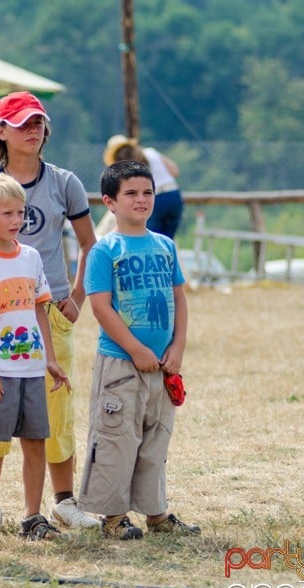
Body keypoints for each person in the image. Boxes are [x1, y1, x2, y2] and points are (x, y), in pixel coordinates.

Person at [0, 91, 100, 532]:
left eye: (38, 122)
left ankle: (62, 500)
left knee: (55, 408)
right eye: (22, 124)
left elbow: (89, 243)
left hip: (48, 309)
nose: (33, 130)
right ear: (0, 132)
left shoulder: (64, 182)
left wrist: (76, 296)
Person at [77, 160, 199, 540]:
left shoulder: (165, 246)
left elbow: (179, 299)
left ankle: (156, 513)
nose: (141, 200)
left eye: (147, 192)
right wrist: (133, 349)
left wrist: (177, 346)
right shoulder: (104, 250)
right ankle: (112, 516)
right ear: (110, 202)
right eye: (130, 193)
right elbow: (100, 306)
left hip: (162, 365)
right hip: (120, 363)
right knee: (117, 438)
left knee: (155, 438)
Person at [0, 172, 71, 547]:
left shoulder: (32, 257)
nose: (16, 220)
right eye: (7, 213)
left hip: (31, 369)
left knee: (36, 442)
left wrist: (49, 359)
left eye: (20, 213)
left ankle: (32, 516)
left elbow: (40, 312)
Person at [103, 134, 183, 239]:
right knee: (166, 241)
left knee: (150, 240)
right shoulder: (151, 152)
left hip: (155, 199)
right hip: (174, 195)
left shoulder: (127, 166)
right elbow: (175, 171)